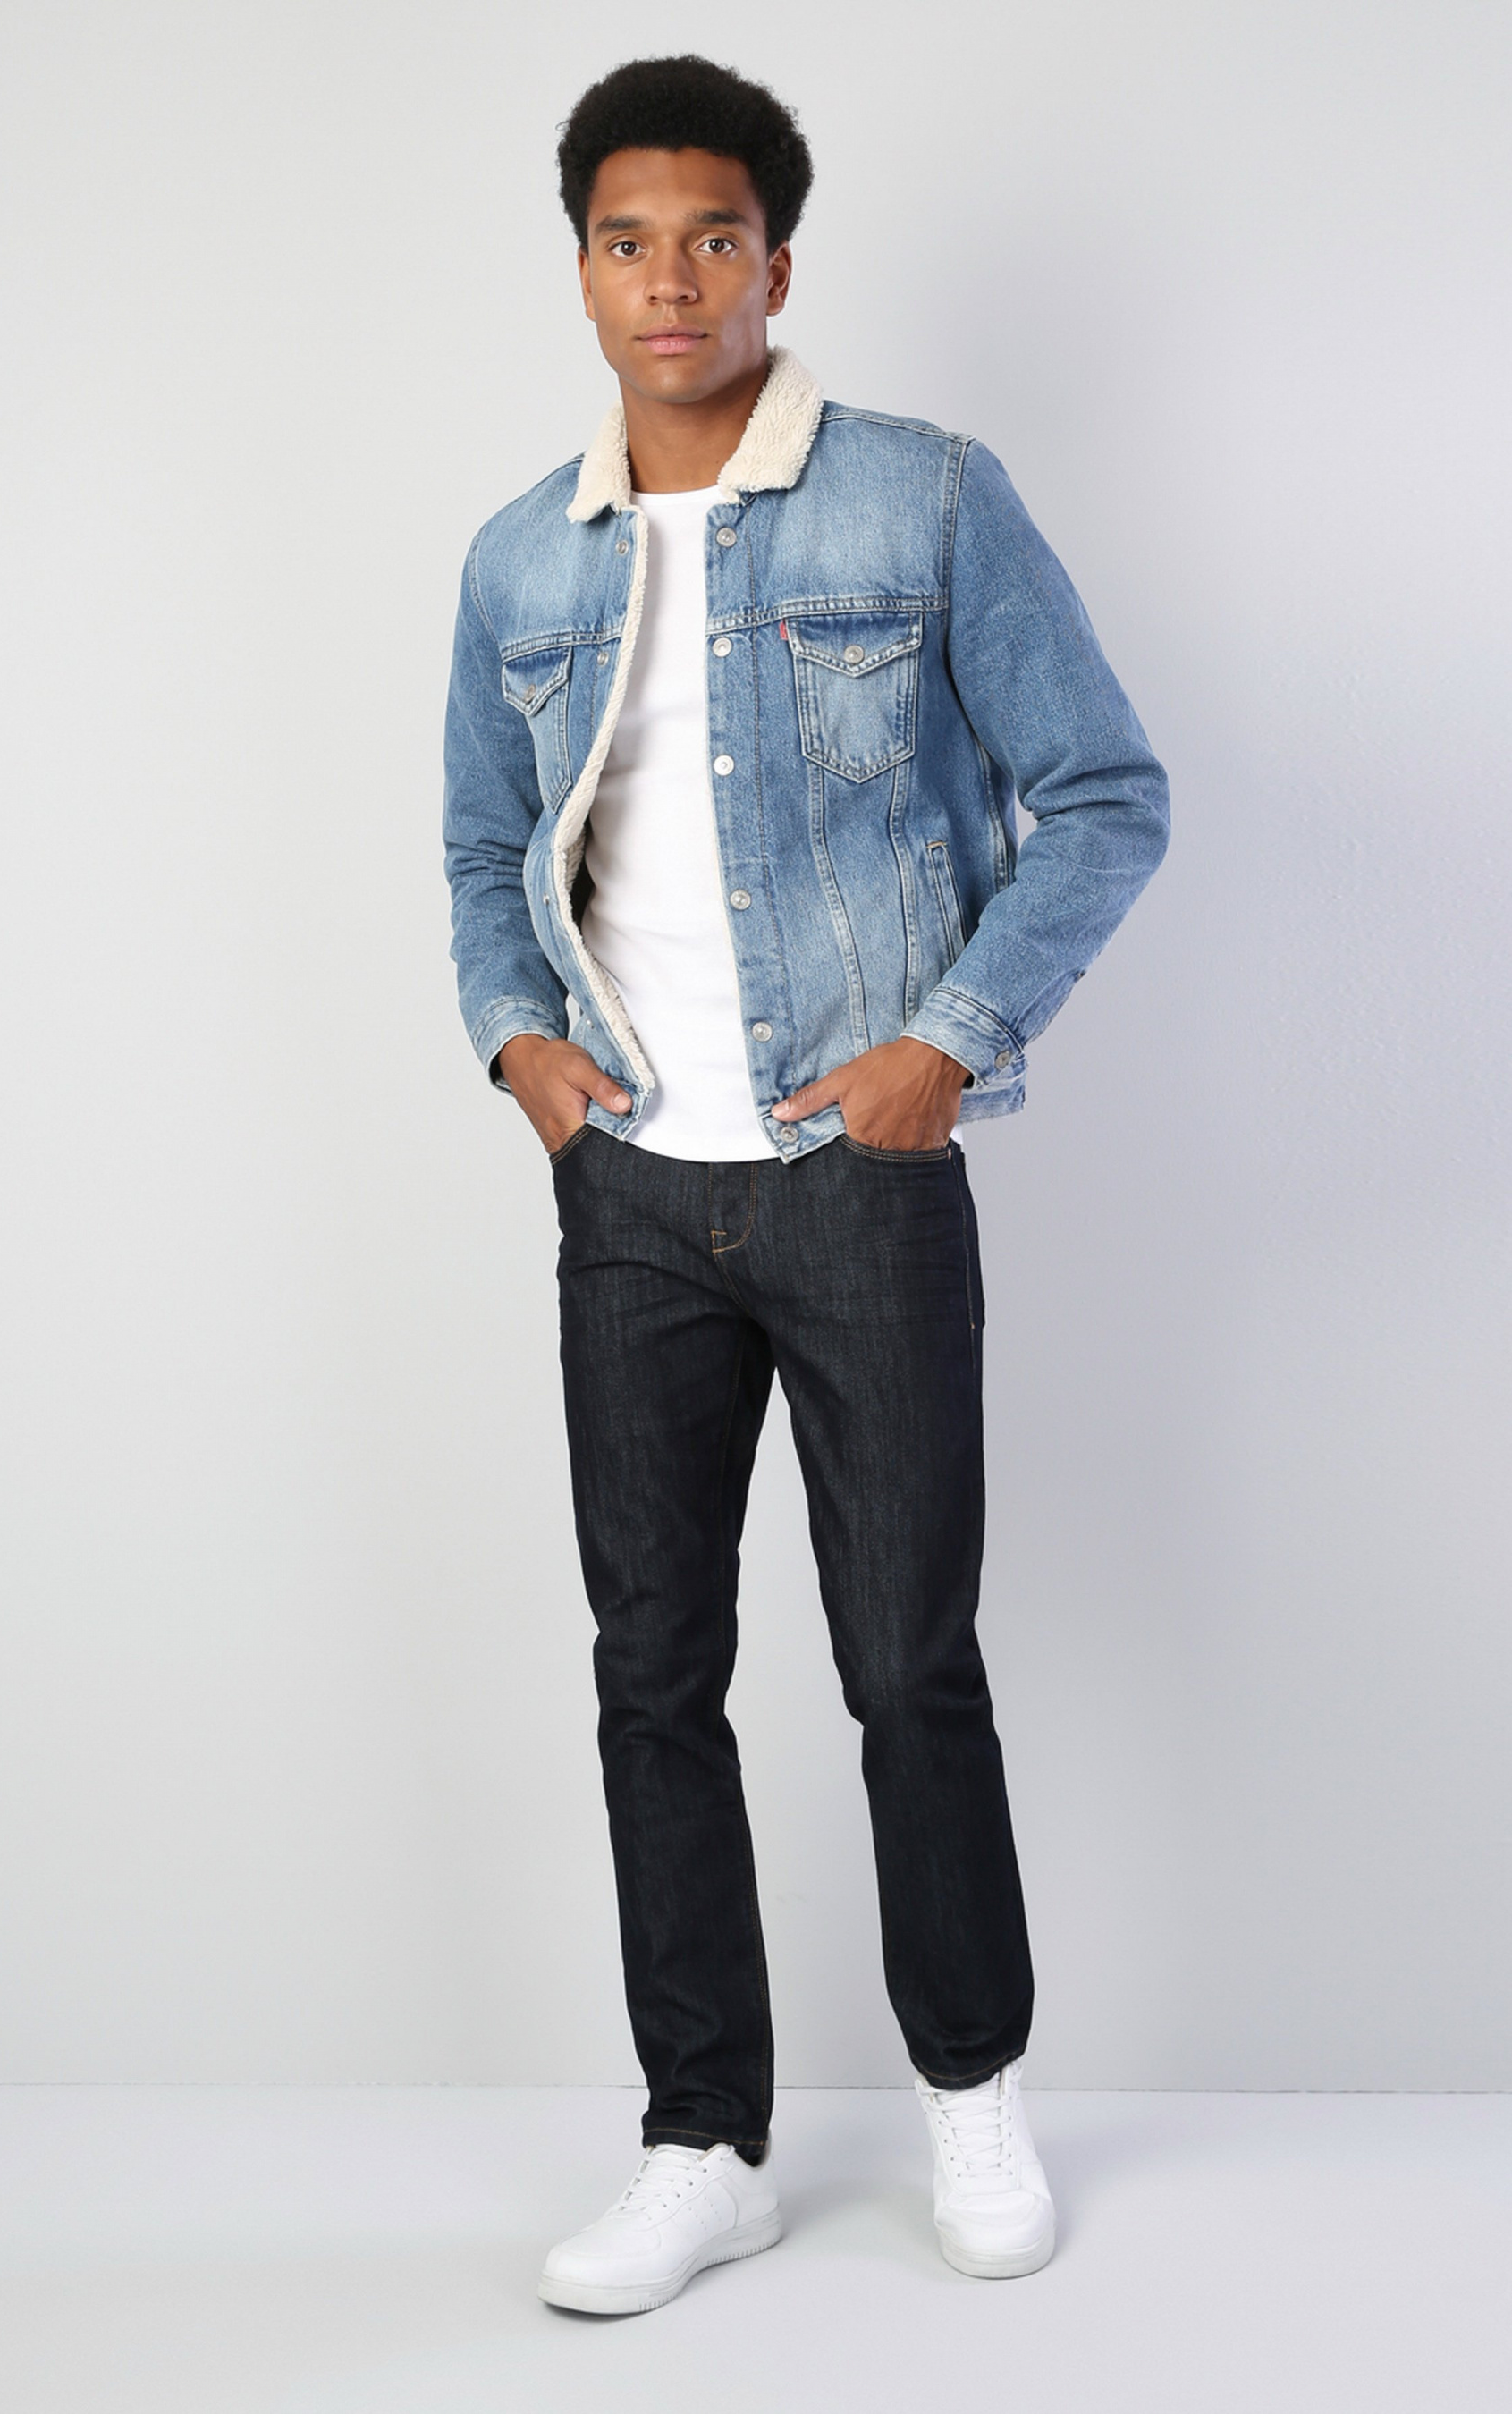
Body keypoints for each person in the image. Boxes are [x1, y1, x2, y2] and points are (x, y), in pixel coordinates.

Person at [443, 54, 1169, 2315]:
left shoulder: (923, 499)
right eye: (625, 240)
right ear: (579, 271)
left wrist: (944, 1046)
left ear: (775, 260)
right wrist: (524, 1054)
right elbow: (480, 850)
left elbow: (1105, 793)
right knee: (650, 1673)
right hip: (626, 1197)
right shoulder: (514, 557)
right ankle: (702, 2144)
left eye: (712, 237)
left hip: (852, 1177)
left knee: (905, 1661)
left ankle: (970, 2096)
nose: (669, 278)